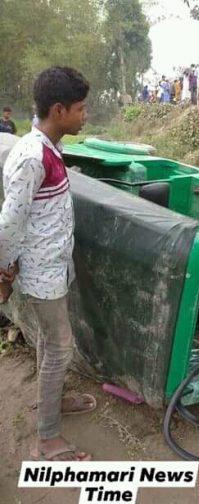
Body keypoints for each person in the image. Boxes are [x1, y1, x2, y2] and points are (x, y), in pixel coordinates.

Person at [0, 67, 97, 461]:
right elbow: (9, 222)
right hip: (41, 273)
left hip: (53, 265)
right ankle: (47, 437)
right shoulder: (32, 156)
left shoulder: (47, 148)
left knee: (48, 341)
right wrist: (3, 272)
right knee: (59, 346)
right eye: (80, 108)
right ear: (59, 110)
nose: (84, 115)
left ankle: (51, 399)